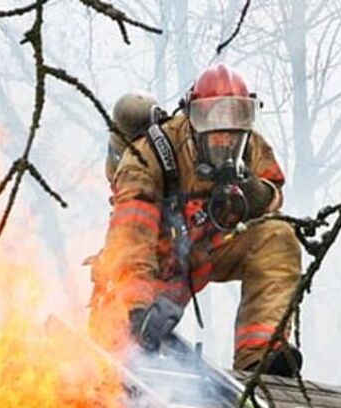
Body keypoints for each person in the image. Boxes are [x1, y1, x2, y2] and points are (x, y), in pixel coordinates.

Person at [89, 65, 302, 376]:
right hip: (156, 261)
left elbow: (274, 191)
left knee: (278, 236)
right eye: (212, 123)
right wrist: (136, 308)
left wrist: (261, 194)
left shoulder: (252, 146)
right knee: (112, 362)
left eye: (235, 122)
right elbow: (132, 236)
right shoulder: (150, 156)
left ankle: (261, 355)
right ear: (191, 119)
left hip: (209, 249)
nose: (224, 140)